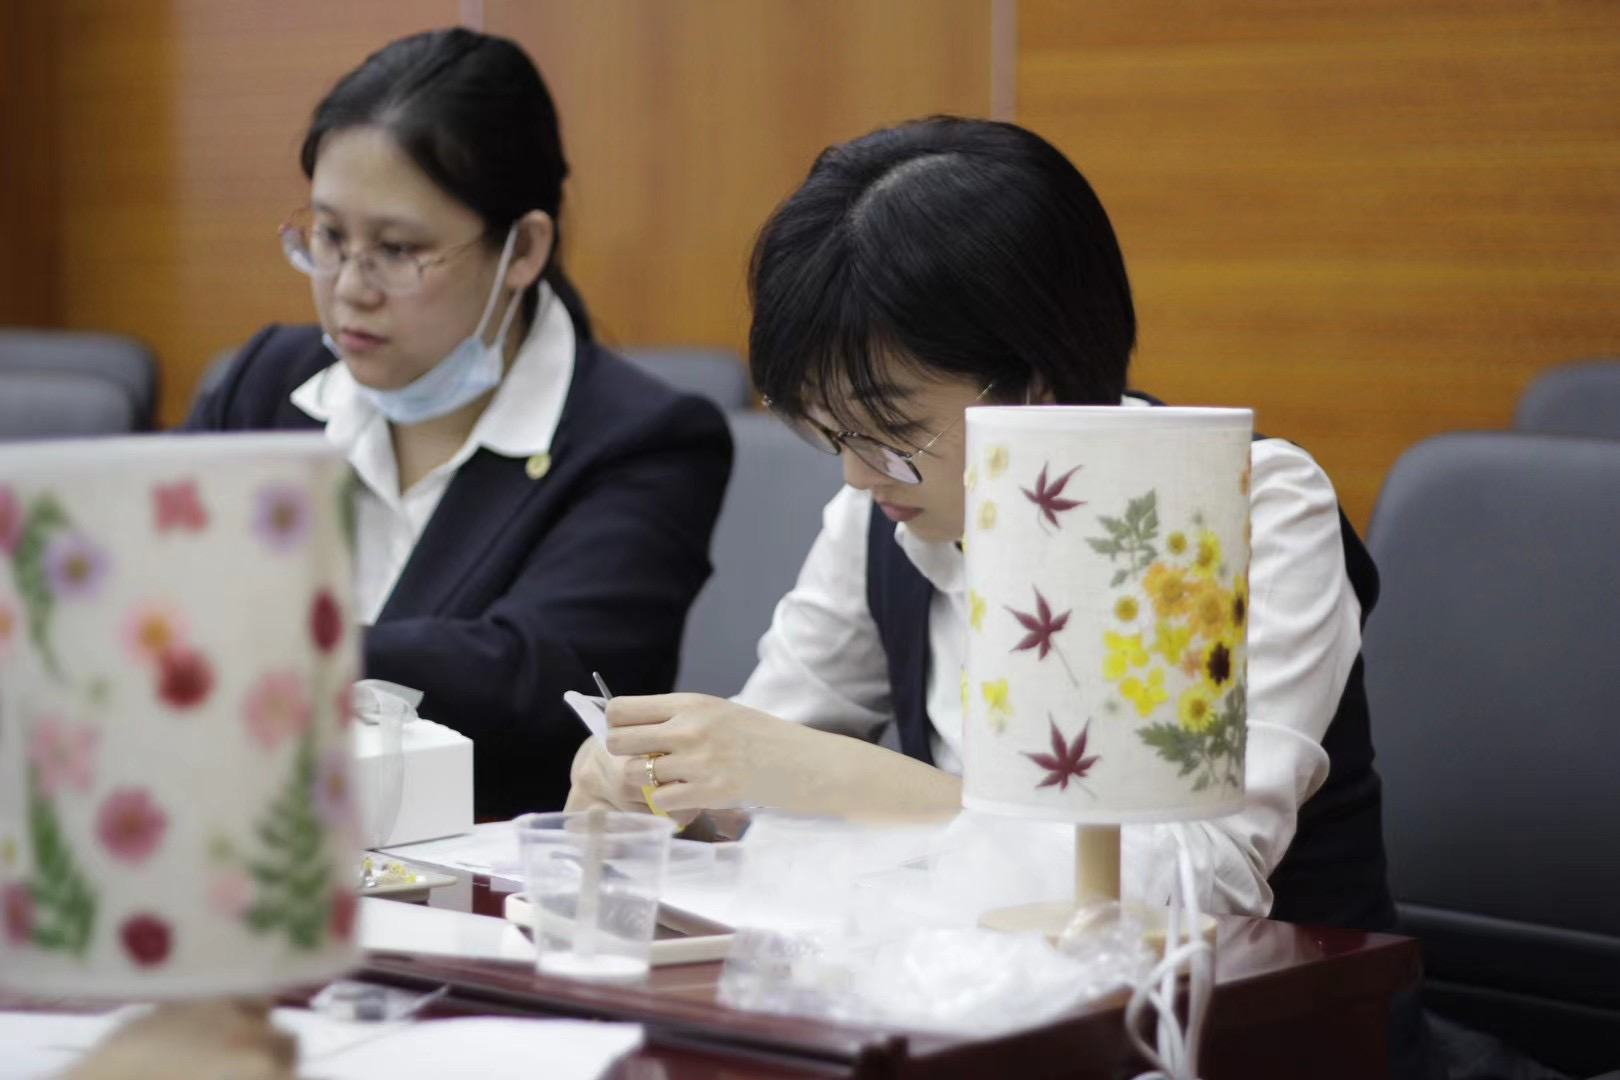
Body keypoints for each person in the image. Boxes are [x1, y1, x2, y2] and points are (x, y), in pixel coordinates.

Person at [568, 116, 1395, 933]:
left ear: (1037, 383)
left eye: (891, 428)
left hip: (1249, 1002)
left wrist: (840, 780)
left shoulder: (1244, 507)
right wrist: (665, 787)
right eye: (830, 433)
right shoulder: (886, 504)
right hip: (965, 989)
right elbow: (765, 758)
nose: (857, 473)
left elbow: (1189, 883)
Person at [187, 29, 732, 818]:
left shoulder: (644, 441)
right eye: (330, 237)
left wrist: (268, 642)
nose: (350, 287)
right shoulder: (268, 382)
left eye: (397, 249)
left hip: (484, 872)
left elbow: (537, 675)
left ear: (523, 249)